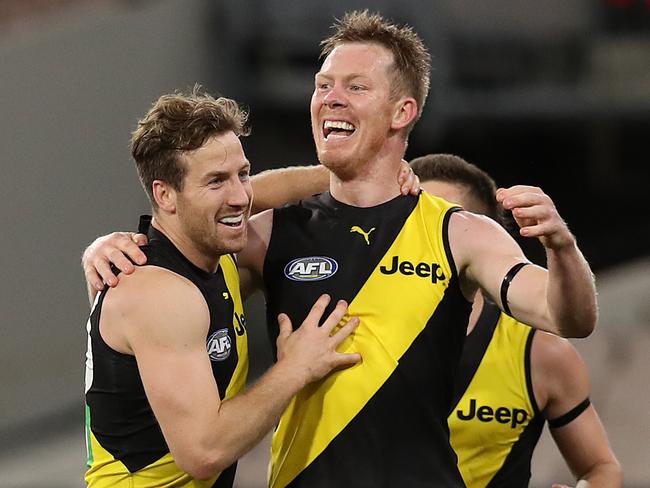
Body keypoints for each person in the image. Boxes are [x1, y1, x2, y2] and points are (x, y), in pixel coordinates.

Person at [82, 11, 598, 488]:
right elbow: (184, 237)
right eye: (323, 85)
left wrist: (562, 245)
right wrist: (112, 247)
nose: (331, 97)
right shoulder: (260, 238)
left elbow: (565, 314)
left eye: (355, 86)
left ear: (403, 111)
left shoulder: (459, 233)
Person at [83, 90, 364, 487]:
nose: (240, 197)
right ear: (165, 195)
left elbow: (270, 191)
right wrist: (296, 366)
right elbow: (205, 452)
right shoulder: (157, 293)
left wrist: (360, 176)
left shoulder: (212, 258)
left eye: (242, 174)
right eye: (216, 181)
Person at [411, 153, 622, 488]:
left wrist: (561, 244)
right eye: (412, 221)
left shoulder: (540, 353)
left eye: (442, 224)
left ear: (483, 235)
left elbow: (601, 467)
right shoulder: (348, 329)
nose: (422, 239)